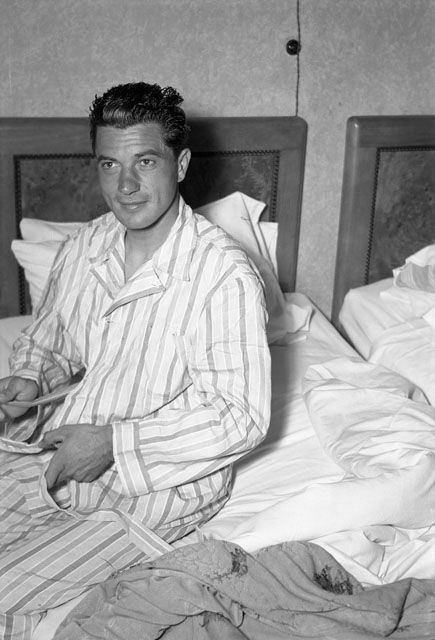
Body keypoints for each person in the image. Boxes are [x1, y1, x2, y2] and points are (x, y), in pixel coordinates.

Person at [0, 82, 271, 639]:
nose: (125, 186)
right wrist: (30, 377)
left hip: (155, 484)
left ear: (181, 164)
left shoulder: (223, 275)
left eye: (145, 162)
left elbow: (239, 416)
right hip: (58, 444)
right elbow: (53, 335)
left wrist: (113, 444)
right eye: (110, 164)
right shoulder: (86, 244)